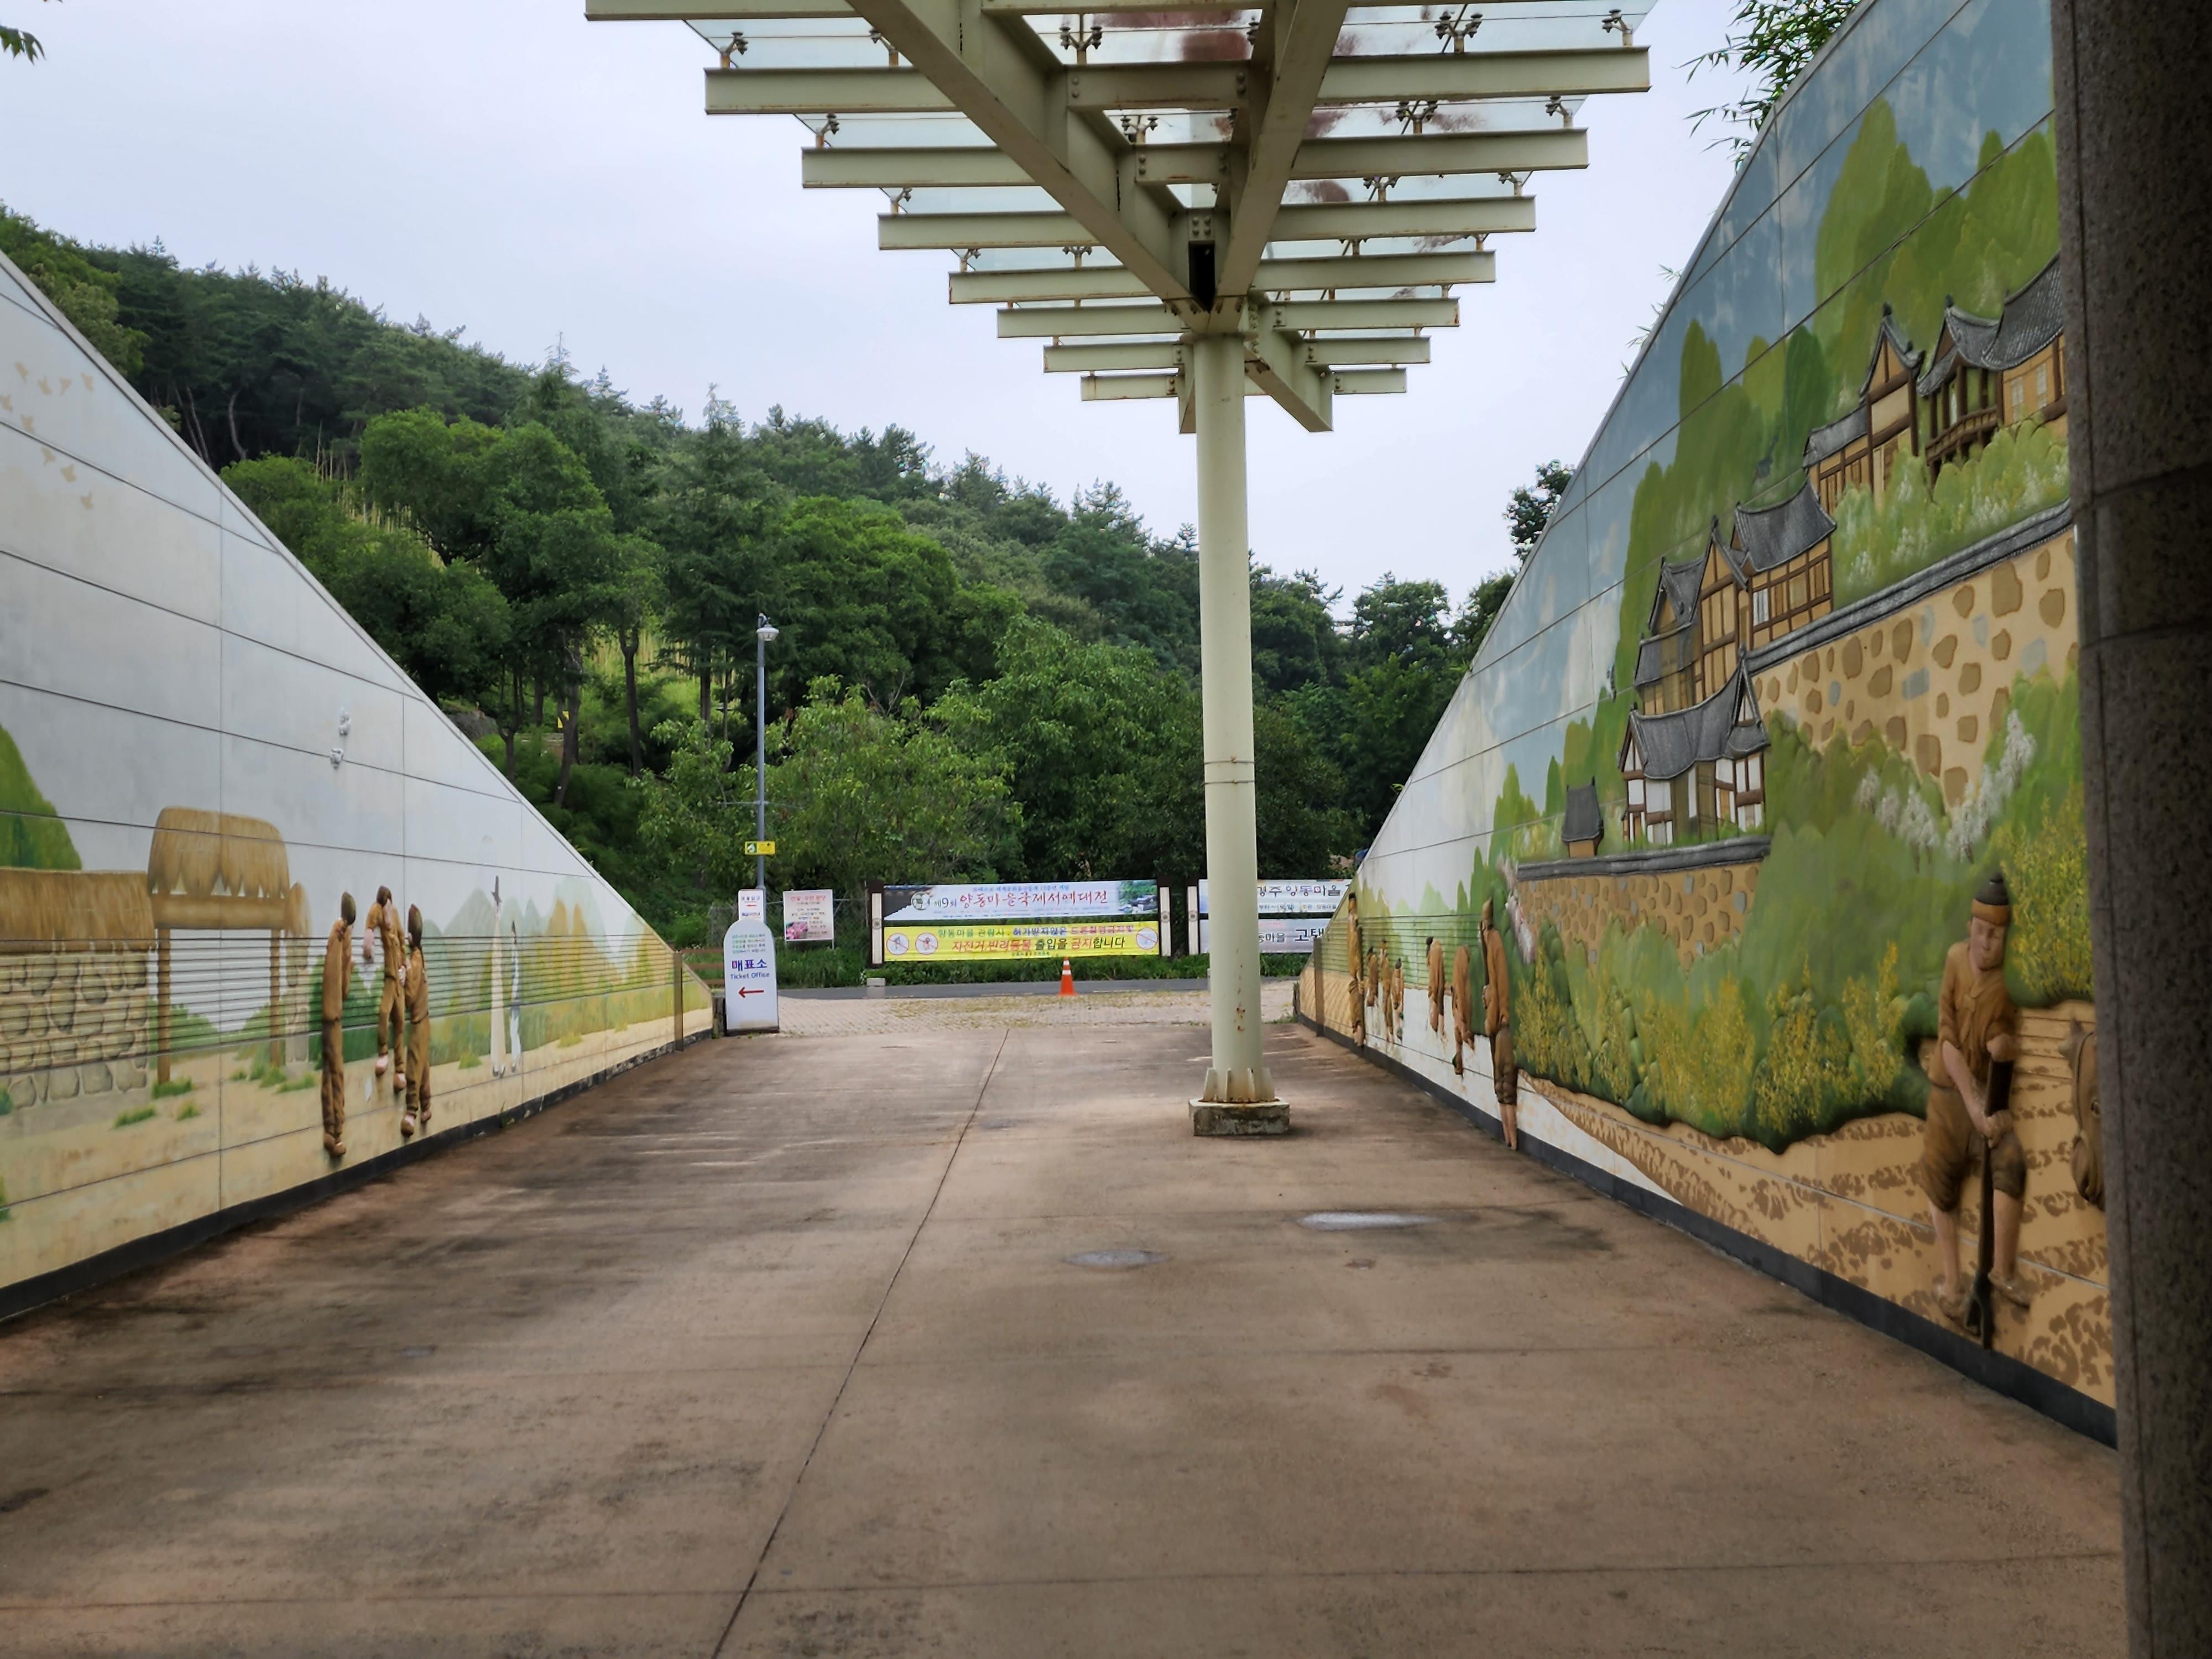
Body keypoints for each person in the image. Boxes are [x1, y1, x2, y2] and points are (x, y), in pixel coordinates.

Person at [1920, 870, 2030, 1323]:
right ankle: (1952, 1284)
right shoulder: (1954, 960)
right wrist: (1975, 1106)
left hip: (1987, 1096)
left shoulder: (2005, 985)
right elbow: (1947, 1039)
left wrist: (2001, 1054)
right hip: (1951, 1095)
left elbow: (2001, 1035)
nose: (1987, 943)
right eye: (1982, 932)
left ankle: (2001, 1270)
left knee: (2010, 1160)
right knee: (1939, 1180)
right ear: (1970, 928)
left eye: (1996, 935)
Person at [1481, 898, 1519, 1149]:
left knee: (1503, 1092)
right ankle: (1511, 1142)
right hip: (1503, 1029)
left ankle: (1510, 1141)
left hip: (1501, 1032)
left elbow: (1497, 990)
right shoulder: (1496, 943)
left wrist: (1494, 1013)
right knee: (1506, 1092)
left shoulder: (1493, 943)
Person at [320, 893, 355, 1159]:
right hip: (333, 1015)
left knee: (329, 1073)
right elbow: (340, 983)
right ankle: (337, 1132)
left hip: (330, 1014)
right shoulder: (339, 936)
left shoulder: (337, 936)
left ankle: (330, 1131)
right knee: (336, 1074)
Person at [363, 885, 405, 1091]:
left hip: (400, 978)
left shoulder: (395, 914)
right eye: (385, 904)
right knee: (384, 1012)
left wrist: (405, 966)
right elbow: (371, 922)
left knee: (400, 1021)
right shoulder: (378, 911)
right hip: (389, 976)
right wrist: (368, 942)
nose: (388, 909)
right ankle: (383, 1053)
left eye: (389, 904)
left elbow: (402, 941)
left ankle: (400, 1070)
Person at [401, 905, 432, 1139]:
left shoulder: (415, 961)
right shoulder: (422, 956)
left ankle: (412, 1112)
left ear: (410, 936)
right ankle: (427, 1107)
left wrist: (404, 978)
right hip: (426, 1020)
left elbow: (410, 997)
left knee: (414, 1066)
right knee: (424, 1065)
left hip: (418, 1022)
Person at [1451, 942, 1473, 1076]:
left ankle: (1458, 1066)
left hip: (1457, 1016)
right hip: (1462, 1018)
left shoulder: (1456, 977)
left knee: (1458, 1045)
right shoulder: (1466, 981)